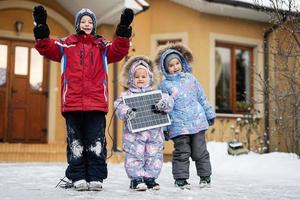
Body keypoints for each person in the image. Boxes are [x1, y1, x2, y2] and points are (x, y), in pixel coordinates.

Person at [32, 5, 134, 191]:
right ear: (77, 24)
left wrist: (124, 29)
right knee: (76, 143)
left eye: (90, 22)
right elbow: (45, 47)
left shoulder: (102, 46)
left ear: (93, 25)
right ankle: (77, 177)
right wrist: (40, 26)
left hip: (96, 103)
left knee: (95, 142)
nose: (86, 24)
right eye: (83, 21)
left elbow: (119, 49)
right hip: (72, 103)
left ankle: (96, 177)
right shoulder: (65, 45)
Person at [155, 43, 216, 189]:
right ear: (165, 68)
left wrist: (209, 113)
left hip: (197, 122)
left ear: (181, 63)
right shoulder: (164, 86)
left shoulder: (191, 79)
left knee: (200, 151)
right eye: (171, 65)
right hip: (178, 125)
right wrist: (164, 129)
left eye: (177, 63)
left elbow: (201, 97)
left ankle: (205, 177)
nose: (175, 67)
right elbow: (162, 108)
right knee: (182, 152)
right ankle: (181, 179)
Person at [114, 56, 174, 191]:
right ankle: (136, 179)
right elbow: (117, 106)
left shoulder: (157, 93)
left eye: (143, 76)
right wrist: (126, 111)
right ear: (131, 79)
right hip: (134, 135)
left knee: (154, 155)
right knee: (135, 155)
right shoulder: (127, 95)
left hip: (154, 134)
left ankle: (150, 178)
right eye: (137, 77)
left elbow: (169, 102)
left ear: (150, 77)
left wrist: (163, 104)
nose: (140, 79)